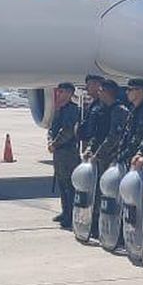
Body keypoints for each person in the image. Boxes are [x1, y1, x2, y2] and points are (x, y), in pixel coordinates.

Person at [47, 81, 81, 228]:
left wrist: (55, 143)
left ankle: (71, 214)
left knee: (69, 184)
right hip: (58, 151)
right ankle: (65, 211)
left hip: (68, 151)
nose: (59, 94)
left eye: (62, 92)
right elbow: (51, 128)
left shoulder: (73, 110)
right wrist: (50, 141)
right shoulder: (59, 109)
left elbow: (68, 130)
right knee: (61, 182)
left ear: (69, 93)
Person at [90, 79, 130, 175]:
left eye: (100, 91)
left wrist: (98, 154)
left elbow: (114, 137)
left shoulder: (120, 111)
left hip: (111, 157)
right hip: (99, 155)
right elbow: (97, 133)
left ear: (106, 92)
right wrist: (90, 149)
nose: (98, 93)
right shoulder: (101, 109)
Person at [78, 73, 108, 155]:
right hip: (88, 148)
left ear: (97, 85)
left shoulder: (104, 105)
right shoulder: (92, 104)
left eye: (89, 85)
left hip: (97, 149)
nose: (86, 88)